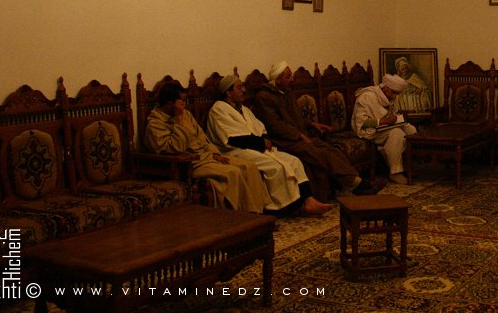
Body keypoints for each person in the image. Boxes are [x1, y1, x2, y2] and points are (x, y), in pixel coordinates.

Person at [252, 61, 381, 201]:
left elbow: (295, 118)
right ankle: (358, 184)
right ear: (278, 79)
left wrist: (312, 124)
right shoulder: (264, 97)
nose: (292, 79)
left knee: (332, 150)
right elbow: (275, 126)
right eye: (288, 77)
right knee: (320, 154)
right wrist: (300, 135)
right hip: (283, 141)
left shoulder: (286, 92)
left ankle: (350, 185)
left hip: (299, 136)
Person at [207, 75, 333, 217]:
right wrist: (261, 143)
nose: (243, 90)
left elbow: (259, 128)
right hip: (236, 151)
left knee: (294, 161)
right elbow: (231, 138)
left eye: (243, 86)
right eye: (239, 87)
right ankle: (285, 209)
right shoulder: (219, 109)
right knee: (276, 167)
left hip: (257, 147)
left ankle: (309, 200)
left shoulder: (243, 109)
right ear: (228, 93)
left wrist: (265, 140)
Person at [144, 82, 271, 212]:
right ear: (170, 104)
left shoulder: (186, 115)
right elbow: (176, 148)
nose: (184, 104)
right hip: (190, 163)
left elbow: (202, 138)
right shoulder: (155, 124)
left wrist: (215, 154)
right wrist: (178, 121)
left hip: (208, 156)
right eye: (181, 101)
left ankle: (259, 213)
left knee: (249, 166)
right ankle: (239, 216)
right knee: (233, 172)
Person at [352, 74, 417, 184]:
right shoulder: (367, 96)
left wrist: (394, 119)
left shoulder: (389, 96)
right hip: (369, 130)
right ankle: (395, 172)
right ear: (385, 87)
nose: (395, 96)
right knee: (397, 134)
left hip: (387, 126)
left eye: (398, 93)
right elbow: (361, 122)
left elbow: (392, 113)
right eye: (394, 93)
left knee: (411, 130)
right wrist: (383, 121)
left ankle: (407, 165)